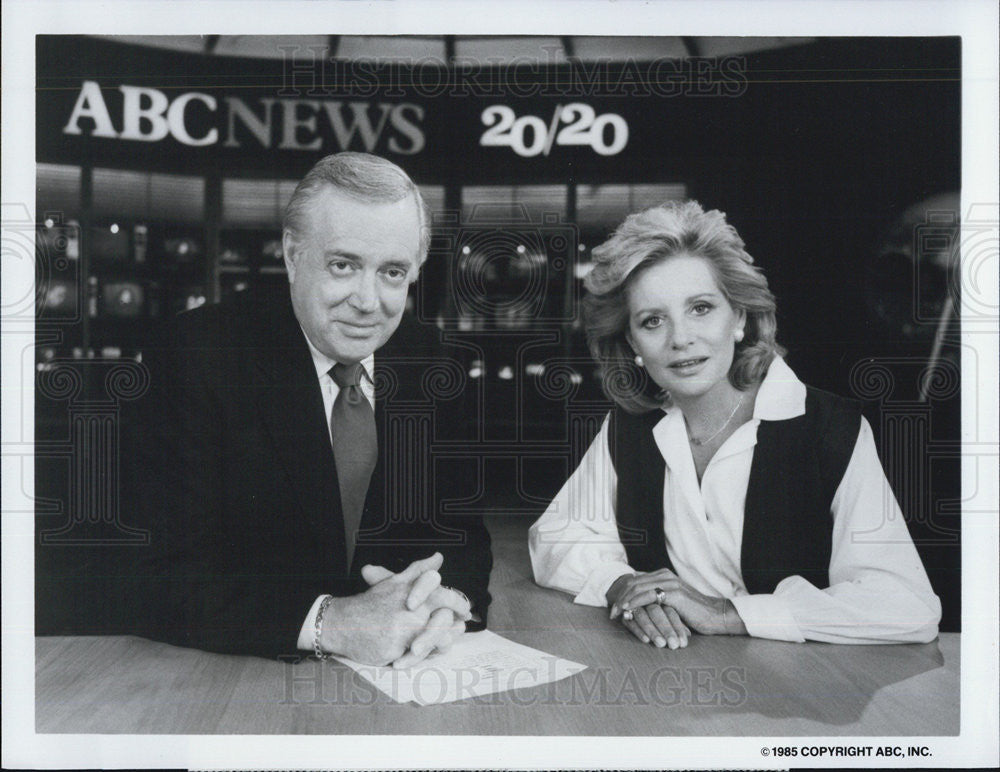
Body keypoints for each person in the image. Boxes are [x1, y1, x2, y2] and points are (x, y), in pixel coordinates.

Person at [125, 152, 491, 665]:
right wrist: (329, 621)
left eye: (392, 272)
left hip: (401, 680)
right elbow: (156, 574)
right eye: (343, 265)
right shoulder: (197, 353)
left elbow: (464, 538)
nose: (368, 301)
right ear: (293, 255)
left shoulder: (431, 359)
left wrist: (447, 602)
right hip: (232, 679)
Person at [529, 200, 940, 649]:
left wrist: (727, 614)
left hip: (809, 697)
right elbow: (556, 536)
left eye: (701, 308)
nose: (680, 338)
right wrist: (622, 583)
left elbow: (906, 605)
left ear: (740, 316)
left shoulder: (829, 428)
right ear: (632, 341)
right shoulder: (629, 427)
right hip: (674, 681)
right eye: (652, 320)